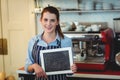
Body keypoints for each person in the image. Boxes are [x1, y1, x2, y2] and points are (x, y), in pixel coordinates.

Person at [25, 6, 77, 80]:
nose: (48, 23)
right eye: (45, 20)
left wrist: (72, 69)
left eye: (52, 20)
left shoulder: (66, 41)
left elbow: (69, 72)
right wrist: (34, 66)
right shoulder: (33, 41)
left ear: (57, 22)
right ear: (41, 20)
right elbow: (27, 67)